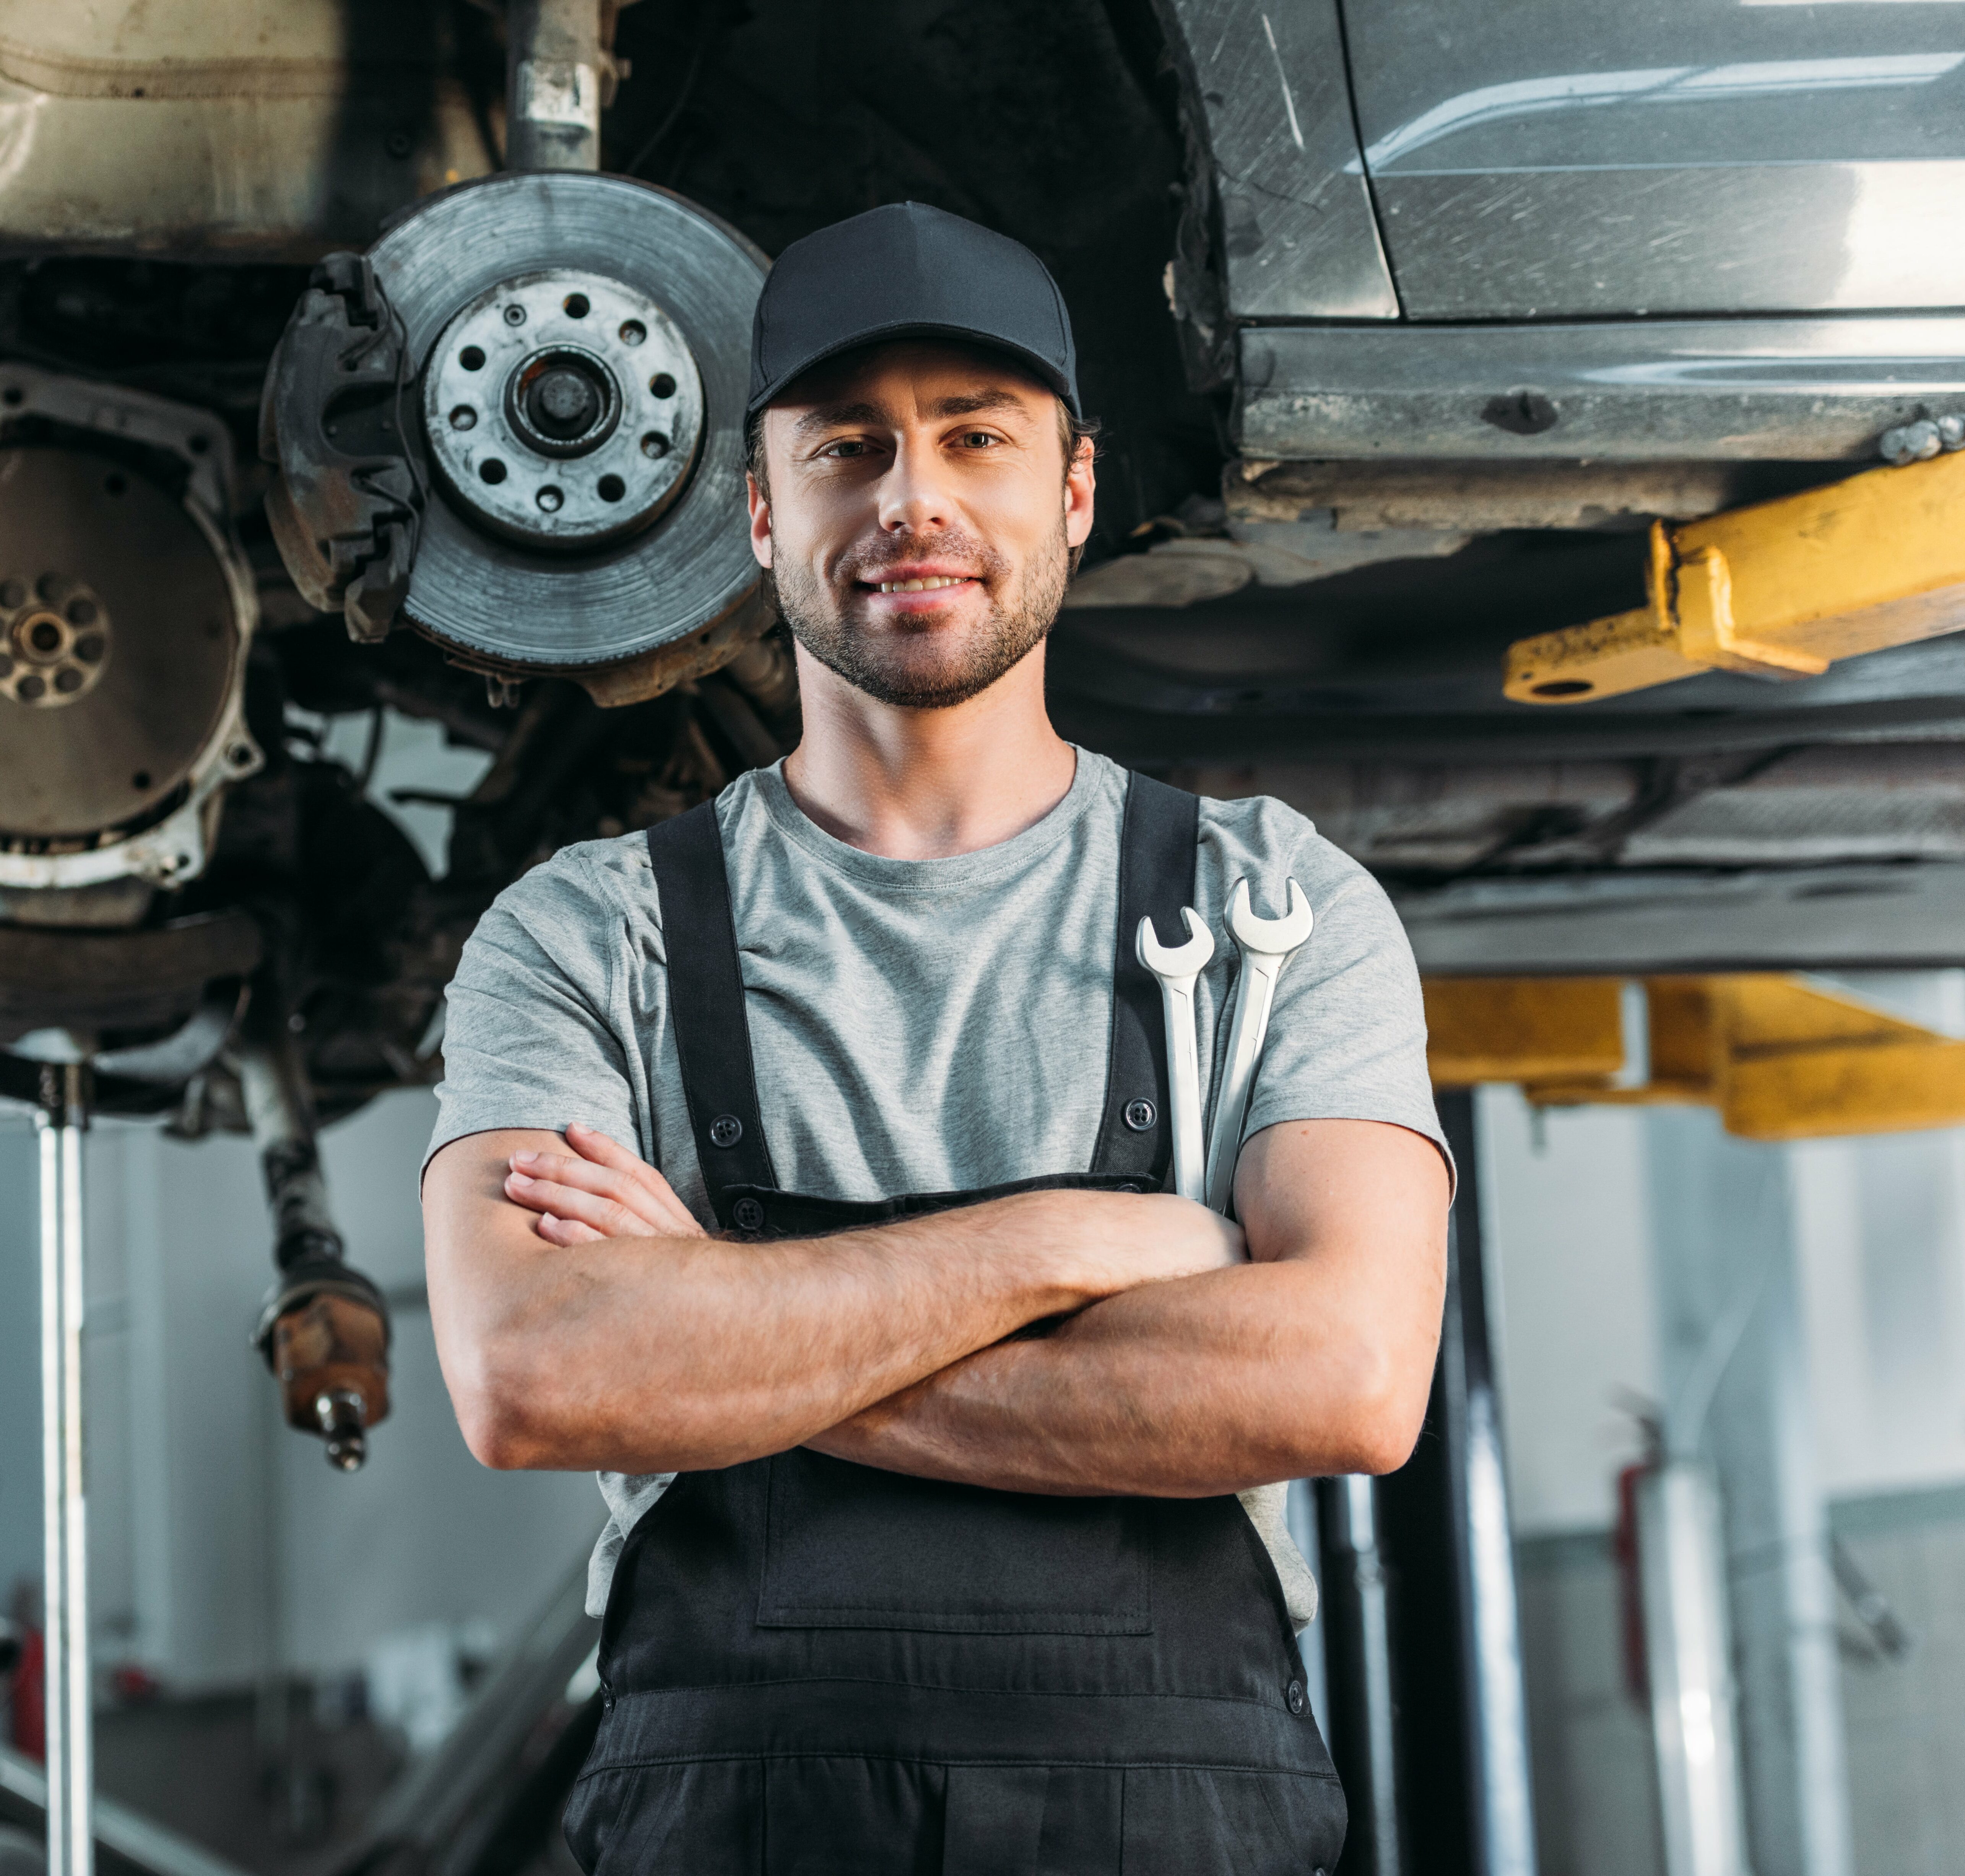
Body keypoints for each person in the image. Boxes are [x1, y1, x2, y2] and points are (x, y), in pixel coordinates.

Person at [421, 201, 1452, 1870]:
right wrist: (1073, 1243)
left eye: (976, 438)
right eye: (848, 448)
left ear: (1074, 491)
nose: (913, 498)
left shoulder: (1276, 903)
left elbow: (1341, 1381)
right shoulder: (583, 935)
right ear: (760, 512)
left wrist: (724, 1334)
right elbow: (538, 1375)